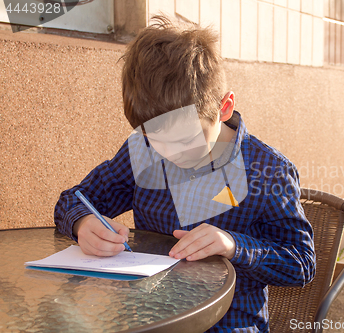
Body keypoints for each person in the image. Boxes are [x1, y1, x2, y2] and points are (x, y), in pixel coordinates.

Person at [54, 15, 315, 332]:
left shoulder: (267, 171)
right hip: (148, 318)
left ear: (224, 108)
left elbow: (301, 264)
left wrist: (233, 245)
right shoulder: (142, 152)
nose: (169, 154)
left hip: (228, 322)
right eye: (154, 139)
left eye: (184, 141)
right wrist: (83, 222)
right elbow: (75, 199)